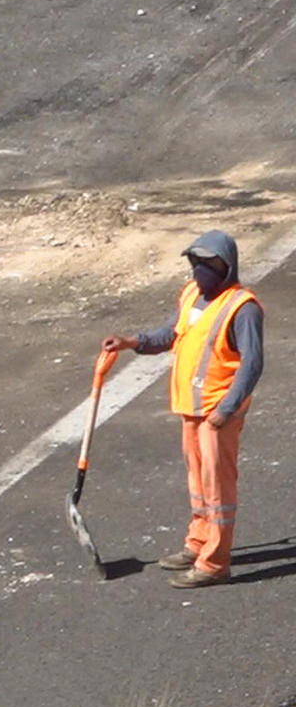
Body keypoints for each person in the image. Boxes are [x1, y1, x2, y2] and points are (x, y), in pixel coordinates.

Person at [102, 230, 265, 588]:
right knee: (198, 483)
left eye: (209, 264)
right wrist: (133, 342)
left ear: (226, 266)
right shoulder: (192, 294)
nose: (200, 270)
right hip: (190, 407)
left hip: (217, 412)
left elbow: (252, 365)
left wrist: (227, 409)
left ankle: (215, 563)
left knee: (218, 488)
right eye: (196, 262)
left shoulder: (243, 308)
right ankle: (199, 541)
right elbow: (173, 334)